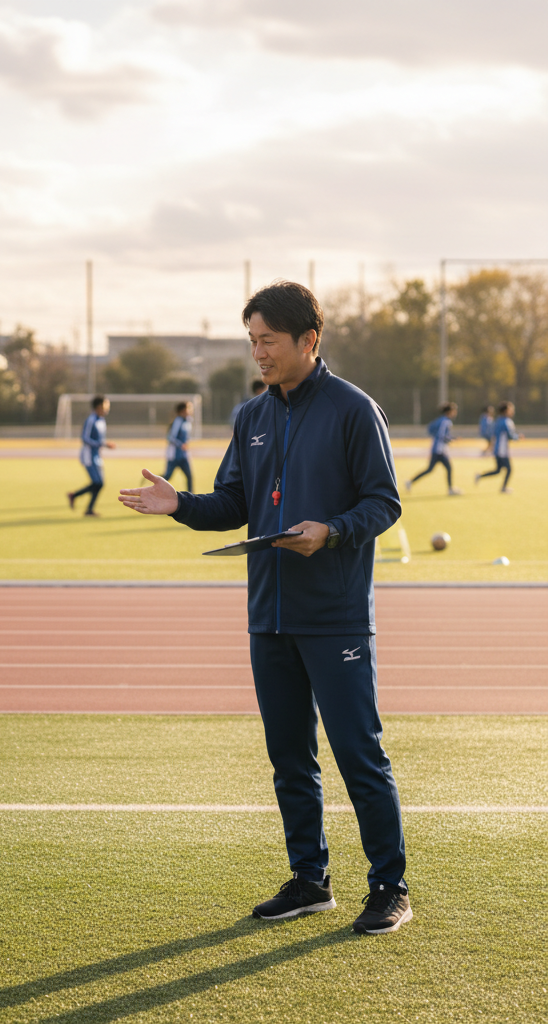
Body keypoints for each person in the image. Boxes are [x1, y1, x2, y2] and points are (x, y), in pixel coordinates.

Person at [118, 281, 411, 935]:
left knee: (359, 754)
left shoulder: (353, 410)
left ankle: (390, 886)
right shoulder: (251, 417)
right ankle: (310, 879)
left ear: (309, 339)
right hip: (268, 617)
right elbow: (231, 504)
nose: (258, 353)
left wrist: (330, 531)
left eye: (268, 341)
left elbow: (384, 503)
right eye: (252, 341)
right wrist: (180, 506)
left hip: (333, 617)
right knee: (289, 758)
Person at [67, 395, 116, 516]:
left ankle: (86, 506)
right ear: (99, 406)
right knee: (98, 482)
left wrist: (103, 445)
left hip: (97, 456)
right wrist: (103, 444)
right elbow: (85, 438)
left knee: (99, 483)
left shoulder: (101, 420)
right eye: (106, 405)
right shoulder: (91, 420)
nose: (107, 408)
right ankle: (77, 498)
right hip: (88, 455)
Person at [406, 402, 462, 495]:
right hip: (439, 450)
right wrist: (453, 439)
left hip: (438, 449)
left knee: (432, 469)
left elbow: (431, 429)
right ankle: (450, 489)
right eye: (454, 411)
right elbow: (442, 435)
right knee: (446, 468)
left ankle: (410, 482)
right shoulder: (446, 421)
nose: (455, 412)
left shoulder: (440, 420)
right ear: (449, 411)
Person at [475, 401, 524, 493]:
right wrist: (518, 437)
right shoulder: (506, 421)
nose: (512, 411)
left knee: (498, 470)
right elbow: (510, 436)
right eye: (511, 409)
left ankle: (479, 476)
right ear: (506, 411)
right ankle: (503, 488)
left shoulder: (497, 420)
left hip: (498, 449)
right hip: (502, 450)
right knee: (509, 469)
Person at [162, 401, 194, 492]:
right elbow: (171, 437)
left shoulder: (187, 422)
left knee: (189, 476)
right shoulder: (178, 421)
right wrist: (181, 444)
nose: (190, 411)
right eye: (189, 408)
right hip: (174, 456)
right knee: (167, 477)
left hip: (183, 456)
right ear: (182, 410)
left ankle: (191, 497)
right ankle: (153, 490)